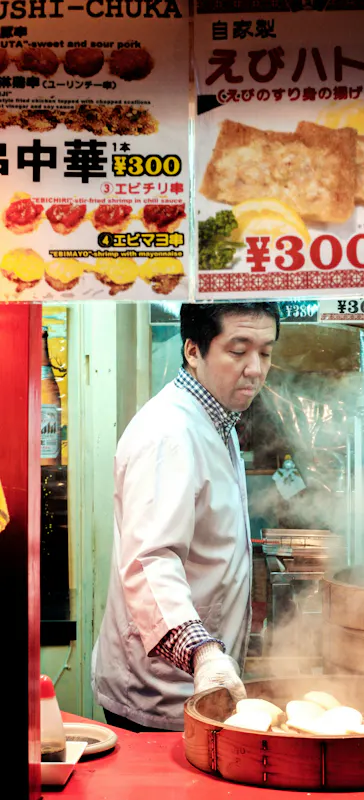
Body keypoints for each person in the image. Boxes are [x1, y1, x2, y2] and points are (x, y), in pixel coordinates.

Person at [92, 302, 280, 732]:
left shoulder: (219, 419)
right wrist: (202, 654)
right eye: (239, 350)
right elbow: (150, 562)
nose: (255, 369)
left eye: (265, 352)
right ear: (193, 351)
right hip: (161, 692)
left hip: (200, 685)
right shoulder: (168, 433)